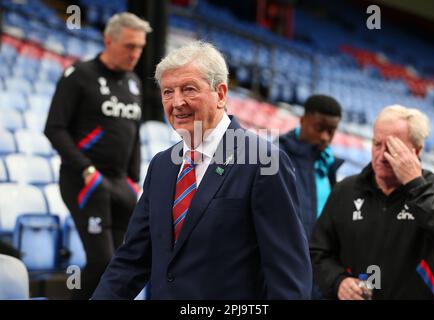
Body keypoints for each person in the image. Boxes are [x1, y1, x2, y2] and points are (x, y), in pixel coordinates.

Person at [91, 41, 312, 299]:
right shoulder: (162, 165)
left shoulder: (264, 161)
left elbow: (288, 277)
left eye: (189, 89)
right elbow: (132, 259)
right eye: (167, 92)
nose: (177, 102)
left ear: (220, 94)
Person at [44, 13, 151, 299]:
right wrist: (85, 168)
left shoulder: (133, 83)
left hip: (121, 184)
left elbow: (134, 135)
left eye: (140, 47)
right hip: (85, 181)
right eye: (130, 46)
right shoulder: (79, 75)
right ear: (108, 40)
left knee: (123, 266)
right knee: (103, 262)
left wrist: (134, 180)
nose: (136, 53)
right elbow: (54, 128)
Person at [310, 105, 434, 300]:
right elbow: (318, 251)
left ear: (416, 151)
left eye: (392, 147)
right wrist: (338, 281)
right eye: (377, 144)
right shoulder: (346, 190)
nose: (382, 155)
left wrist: (415, 185)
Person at [278, 94, 343, 241]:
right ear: (302, 121)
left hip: (314, 258)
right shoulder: (274, 155)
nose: (325, 137)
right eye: (319, 128)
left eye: (331, 131)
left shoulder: (328, 163)